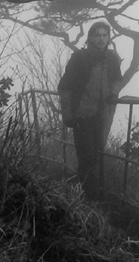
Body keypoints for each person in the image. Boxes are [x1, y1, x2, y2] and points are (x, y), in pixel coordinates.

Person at [58, 21, 122, 198]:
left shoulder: (111, 58)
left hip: (102, 116)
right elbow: (64, 87)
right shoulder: (80, 58)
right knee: (87, 157)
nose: (101, 39)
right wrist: (69, 115)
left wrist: (113, 93)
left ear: (108, 37)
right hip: (82, 116)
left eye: (104, 35)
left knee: (97, 155)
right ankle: (90, 198)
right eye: (97, 35)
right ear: (90, 37)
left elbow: (118, 78)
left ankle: (90, 196)